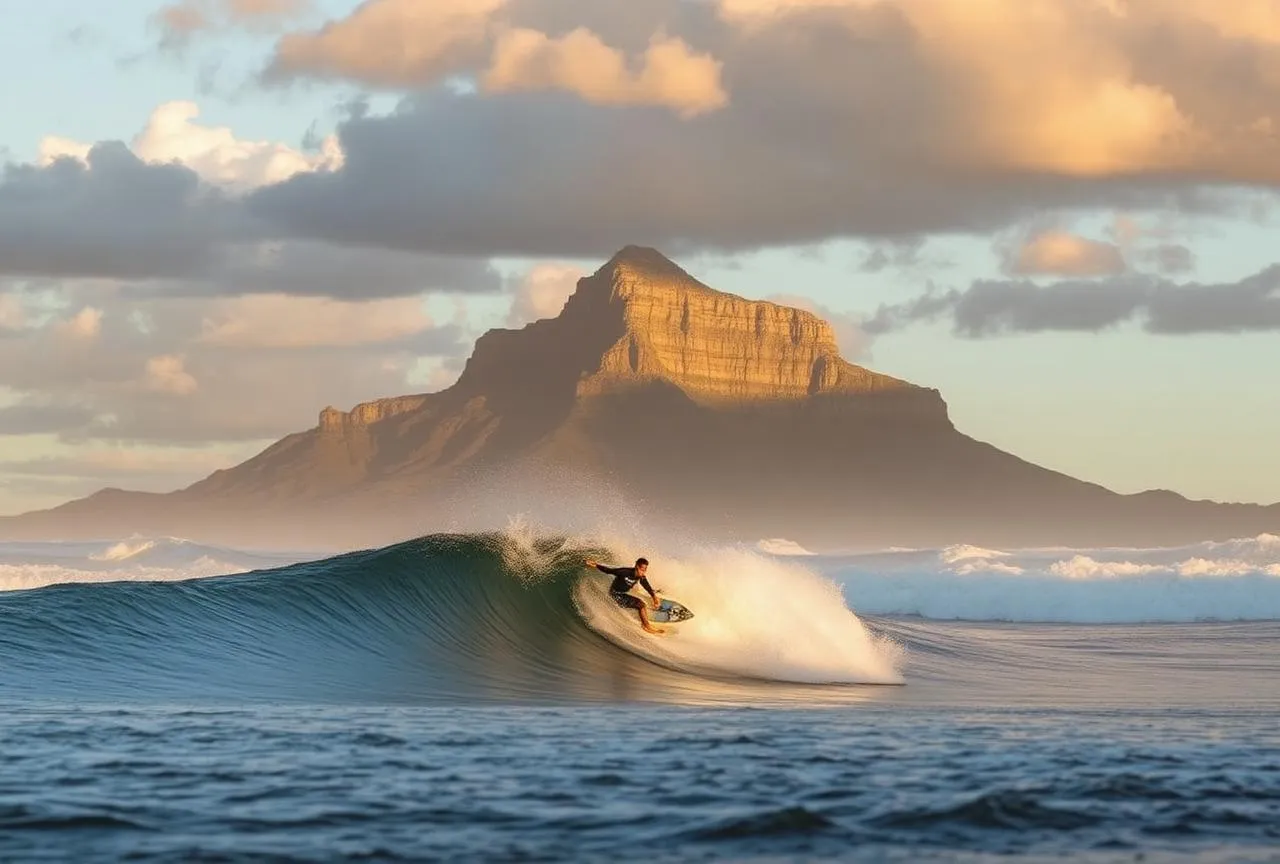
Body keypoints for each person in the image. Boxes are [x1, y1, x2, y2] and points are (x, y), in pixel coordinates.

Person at [585, 556, 664, 634]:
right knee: (641, 605)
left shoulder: (641, 576)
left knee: (642, 600)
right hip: (616, 595)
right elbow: (609, 571)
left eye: (645, 570)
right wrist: (596, 565)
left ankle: (646, 621)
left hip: (623, 594)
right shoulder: (625, 572)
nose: (643, 572)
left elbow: (646, 585)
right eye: (642, 570)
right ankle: (646, 626)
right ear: (637, 567)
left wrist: (654, 597)